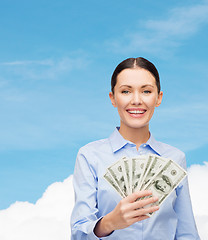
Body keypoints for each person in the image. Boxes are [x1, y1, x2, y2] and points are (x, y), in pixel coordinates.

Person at [70, 57, 200, 240]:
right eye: (126, 91)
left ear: (158, 98)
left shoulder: (175, 158)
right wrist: (110, 222)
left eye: (146, 91)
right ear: (113, 98)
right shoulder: (90, 156)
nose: (137, 100)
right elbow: (78, 233)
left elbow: (187, 234)